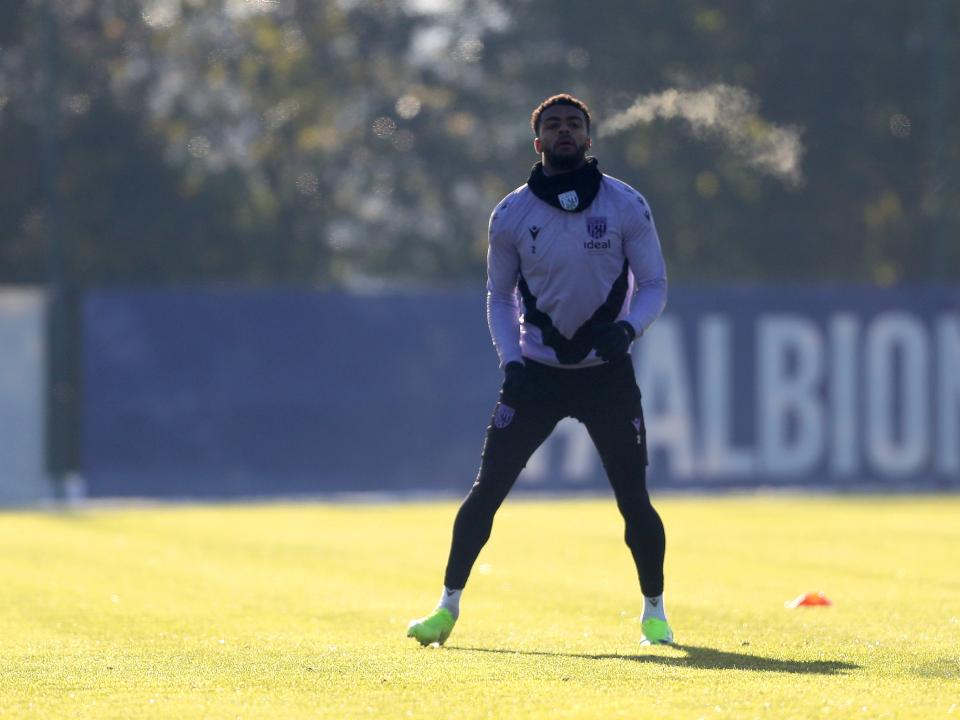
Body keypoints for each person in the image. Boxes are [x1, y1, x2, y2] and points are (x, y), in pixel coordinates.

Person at [407, 94, 672, 647]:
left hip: (607, 375)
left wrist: (626, 331)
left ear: (589, 138)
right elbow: (498, 298)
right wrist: (512, 362)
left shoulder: (626, 206)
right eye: (553, 125)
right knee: (487, 492)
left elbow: (654, 285)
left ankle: (655, 613)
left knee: (633, 499)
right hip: (537, 375)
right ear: (538, 142)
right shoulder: (511, 214)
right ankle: (446, 607)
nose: (564, 132)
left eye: (574, 124)